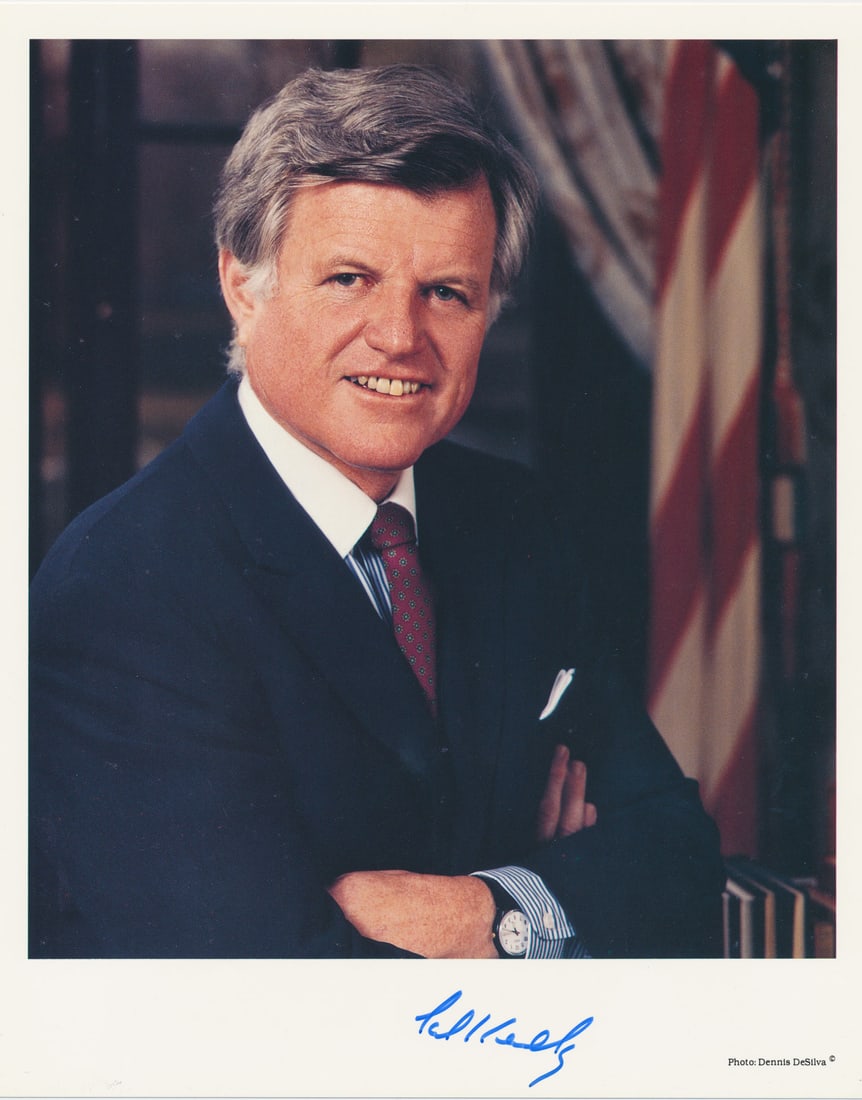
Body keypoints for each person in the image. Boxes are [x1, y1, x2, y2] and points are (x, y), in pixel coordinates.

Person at [29, 64, 724, 959]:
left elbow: (679, 864)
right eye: (350, 278)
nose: (400, 336)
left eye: (447, 291)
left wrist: (488, 915)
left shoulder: (515, 521)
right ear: (244, 283)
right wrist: (555, 897)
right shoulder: (125, 586)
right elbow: (271, 997)